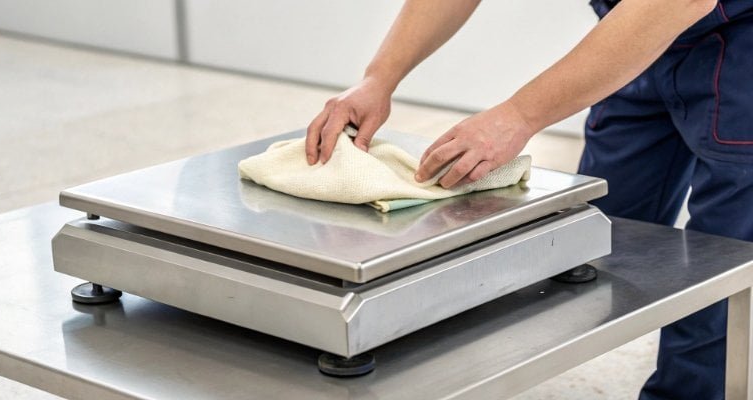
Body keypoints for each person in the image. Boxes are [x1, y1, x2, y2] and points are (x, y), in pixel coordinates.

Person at [305, 0, 753, 398]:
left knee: (726, 251)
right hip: (631, 31)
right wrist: (378, 77)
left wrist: (519, 116)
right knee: (599, 240)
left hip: (740, 45)